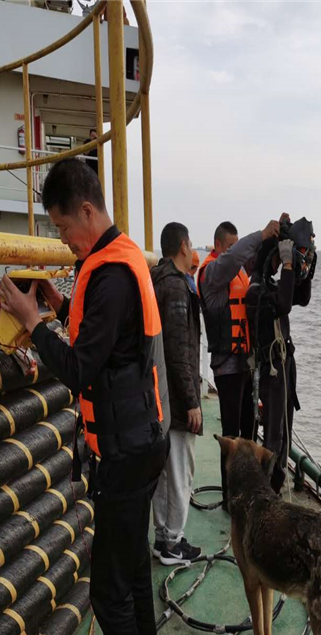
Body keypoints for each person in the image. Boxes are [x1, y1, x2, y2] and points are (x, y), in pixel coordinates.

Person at [0, 158, 167, 635]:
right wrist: (55, 306)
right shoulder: (121, 260)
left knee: (108, 587)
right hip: (144, 440)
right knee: (136, 569)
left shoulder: (111, 273)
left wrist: (31, 320)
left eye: (63, 226)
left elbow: (77, 367)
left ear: (88, 212)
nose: (62, 238)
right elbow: (106, 339)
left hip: (124, 450)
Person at [197, 218, 280, 507]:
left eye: (236, 245)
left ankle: (248, 493)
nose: (236, 253)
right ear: (218, 246)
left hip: (246, 364)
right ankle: (230, 498)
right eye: (230, 246)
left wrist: (275, 240)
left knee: (247, 434)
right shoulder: (212, 273)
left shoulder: (239, 273)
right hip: (227, 368)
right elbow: (236, 258)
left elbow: (258, 263)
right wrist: (259, 234)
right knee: (230, 438)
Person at [245, 220, 315, 493]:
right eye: (275, 260)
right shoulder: (256, 293)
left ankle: (277, 481)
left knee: (284, 431)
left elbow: (301, 297)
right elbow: (284, 303)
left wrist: (305, 267)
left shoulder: (270, 287)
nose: (278, 265)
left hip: (284, 367)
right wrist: (286, 264)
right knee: (273, 434)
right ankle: (265, 490)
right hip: (272, 372)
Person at [150, 223, 203, 564]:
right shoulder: (176, 288)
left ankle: (163, 538)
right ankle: (173, 540)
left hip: (159, 398)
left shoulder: (157, 280)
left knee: (165, 473)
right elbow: (178, 349)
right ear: (183, 246)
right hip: (176, 400)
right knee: (180, 471)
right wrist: (193, 402)